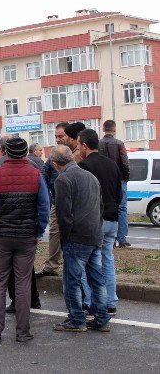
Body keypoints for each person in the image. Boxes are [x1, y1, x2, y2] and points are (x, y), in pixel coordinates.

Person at [0, 137, 50, 342]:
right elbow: (44, 208)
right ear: (24, 153)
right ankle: (22, 331)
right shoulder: (36, 174)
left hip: (1, 236)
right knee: (23, 283)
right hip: (26, 236)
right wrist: (38, 231)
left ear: (7, 153)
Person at [50, 145, 110, 332]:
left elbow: (63, 213)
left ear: (55, 164)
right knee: (97, 279)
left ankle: (77, 319)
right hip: (95, 234)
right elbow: (100, 207)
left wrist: (66, 238)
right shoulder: (91, 177)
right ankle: (102, 318)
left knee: (72, 280)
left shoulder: (63, 179)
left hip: (77, 237)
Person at [77, 129, 121, 316]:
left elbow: (84, 197)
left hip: (96, 220)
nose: (78, 149)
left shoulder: (85, 166)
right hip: (113, 218)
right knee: (108, 261)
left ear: (85, 146)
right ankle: (110, 301)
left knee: (91, 264)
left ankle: (91, 301)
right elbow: (119, 194)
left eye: (79, 145)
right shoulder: (112, 165)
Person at [36, 122, 70, 278]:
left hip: (75, 203)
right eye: (56, 136)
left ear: (69, 136)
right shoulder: (53, 156)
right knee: (55, 233)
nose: (58, 139)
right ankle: (52, 266)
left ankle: (72, 265)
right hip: (57, 201)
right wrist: (48, 189)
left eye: (61, 136)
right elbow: (43, 174)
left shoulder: (74, 155)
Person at [99, 120, 132, 248]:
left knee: (105, 206)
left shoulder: (99, 144)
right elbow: (125, 163)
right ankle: (122, 239)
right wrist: (125, 177)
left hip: (103, 180)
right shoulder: (119, 144)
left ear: (103, 129)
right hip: (119, 179)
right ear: (114, 129)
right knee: (122, 208)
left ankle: (109, 239)